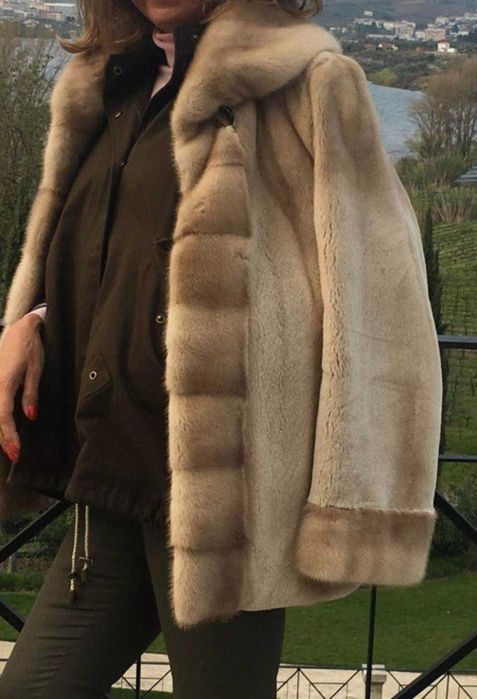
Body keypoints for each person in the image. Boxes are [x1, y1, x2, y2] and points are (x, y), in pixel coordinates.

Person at [0, 0, 443, 696]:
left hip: (223, 502)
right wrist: (34, 319)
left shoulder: (307, 83)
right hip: (115, 475)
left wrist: (352, 499)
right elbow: (115, 253)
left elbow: (382, 302)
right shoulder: (112, 84)